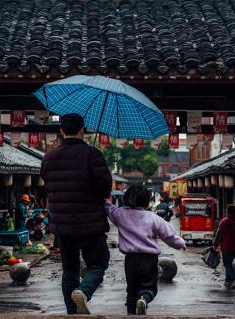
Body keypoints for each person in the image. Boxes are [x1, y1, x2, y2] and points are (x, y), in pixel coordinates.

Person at [40, 113, 112, 315]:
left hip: (62, 225)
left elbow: (48, 186)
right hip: (90, 223)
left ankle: (73, 312)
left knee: (69, 269)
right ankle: (83, 291)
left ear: (61, 131)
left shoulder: (48, 158)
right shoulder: (93, 155)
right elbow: (105, 189)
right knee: (98, 264)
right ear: (82, 130)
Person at [105, 185, 186, 315]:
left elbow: (109, 209)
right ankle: (143, 299)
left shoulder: (120, 214)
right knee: (149, 287)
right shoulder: (152, 218)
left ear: (126, 199)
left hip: (130, 260)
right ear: (146, 201)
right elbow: (168, 234)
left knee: (131, 289)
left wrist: (101, 200)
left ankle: (131, 312)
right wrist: (180, 243)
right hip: (149, 259)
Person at [213, 205, 235, 288]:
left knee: (227, 263)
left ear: (227, 211)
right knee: (229, 263)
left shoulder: (224, 222)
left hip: (226, 246)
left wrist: (215, 244)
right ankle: (228, 281)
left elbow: (219, 234)